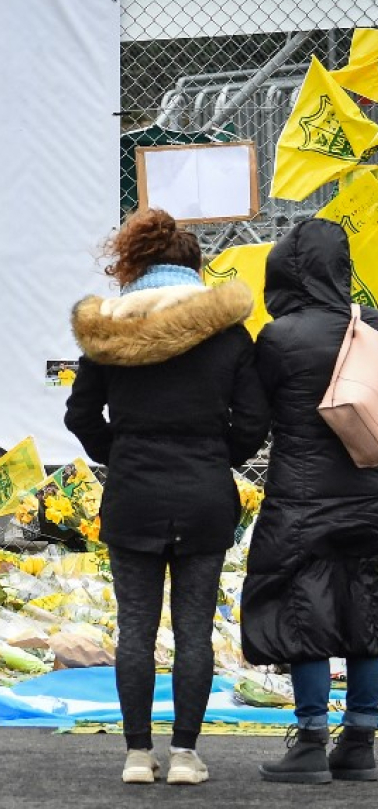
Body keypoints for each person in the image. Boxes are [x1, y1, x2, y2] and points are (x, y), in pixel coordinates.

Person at [64, 207, 269, 786]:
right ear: (192, 265)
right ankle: (184, 754)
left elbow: (80, 414)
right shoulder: (227, 332)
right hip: (205, 492)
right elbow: (254, 419)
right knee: (194, 630)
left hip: (132, 492)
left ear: (135, 263)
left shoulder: (109, 332)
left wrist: (119, 451)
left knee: (135, 627)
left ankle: (135, 755)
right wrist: (215, 455)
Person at [241, 217, 378, 785]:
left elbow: (251, 421)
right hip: (371, 494)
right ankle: (362, 743)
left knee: (304, 613)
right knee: (368, 612)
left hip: (300, 501)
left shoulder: (279, 337)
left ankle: (310, 741)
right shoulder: (370, 326)